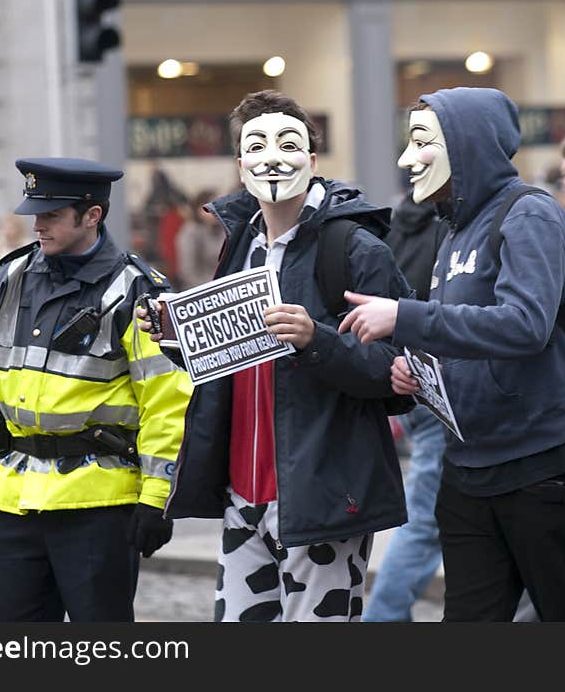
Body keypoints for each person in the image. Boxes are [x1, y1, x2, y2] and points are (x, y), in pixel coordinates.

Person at [340, 87, 565, 622]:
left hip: (546, 463)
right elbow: (467, 338)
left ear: (465, 145)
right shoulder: (454, 232)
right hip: (469, 467)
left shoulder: (529, 213)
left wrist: (406, 317)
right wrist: (421, 371)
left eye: (421, 142)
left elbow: (524, 325)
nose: (405, 159)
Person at [140, 90, 411, 622]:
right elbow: (232, 363)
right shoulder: (240, 244)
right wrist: (180, 339)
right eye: (255, 146)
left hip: (323, 496)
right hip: (245, 496)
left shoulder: (356, 249)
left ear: (312, 159)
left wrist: (318, 340)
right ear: (240, 164)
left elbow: (398, 373)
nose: (272, 158)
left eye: (288, 144)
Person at [0, 157, 193, 622]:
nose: (37, 224)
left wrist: (157, 497)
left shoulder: (138, 292)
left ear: (92, 215)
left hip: (98, 509)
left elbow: (167, 403)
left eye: (51, 215)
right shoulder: (9, 280)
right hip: (17, 505)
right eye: (35, 213)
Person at [363, 192, 446, 622]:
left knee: (429, 514)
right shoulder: (450, 226)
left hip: (407, 381)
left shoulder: (396, 222)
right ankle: (384, 618)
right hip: (437, 385)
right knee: (426, 520)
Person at [175, 188, 224, 289]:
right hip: (200, 289)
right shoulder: (191, 231)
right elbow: (187, 270)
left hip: (222, 287)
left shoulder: (224, 230)